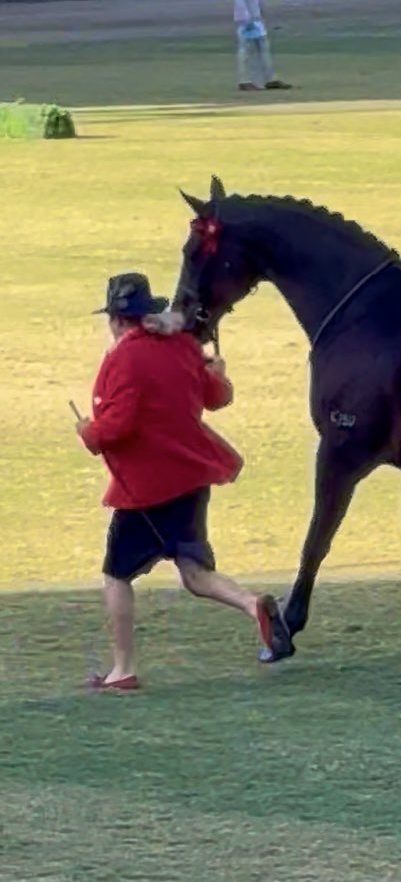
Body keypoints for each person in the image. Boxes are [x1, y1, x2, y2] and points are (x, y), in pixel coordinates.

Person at [76, 272, 292, 691]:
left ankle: (123, 669)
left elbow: (115, 428)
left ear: (118, 320)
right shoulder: (182, 345)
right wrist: (220, 373)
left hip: (147, 488)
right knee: (194, 572)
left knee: (117, 574)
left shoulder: (123, 358)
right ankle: (253, 606)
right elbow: (217, 397)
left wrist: (87, 431)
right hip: (192, 476)